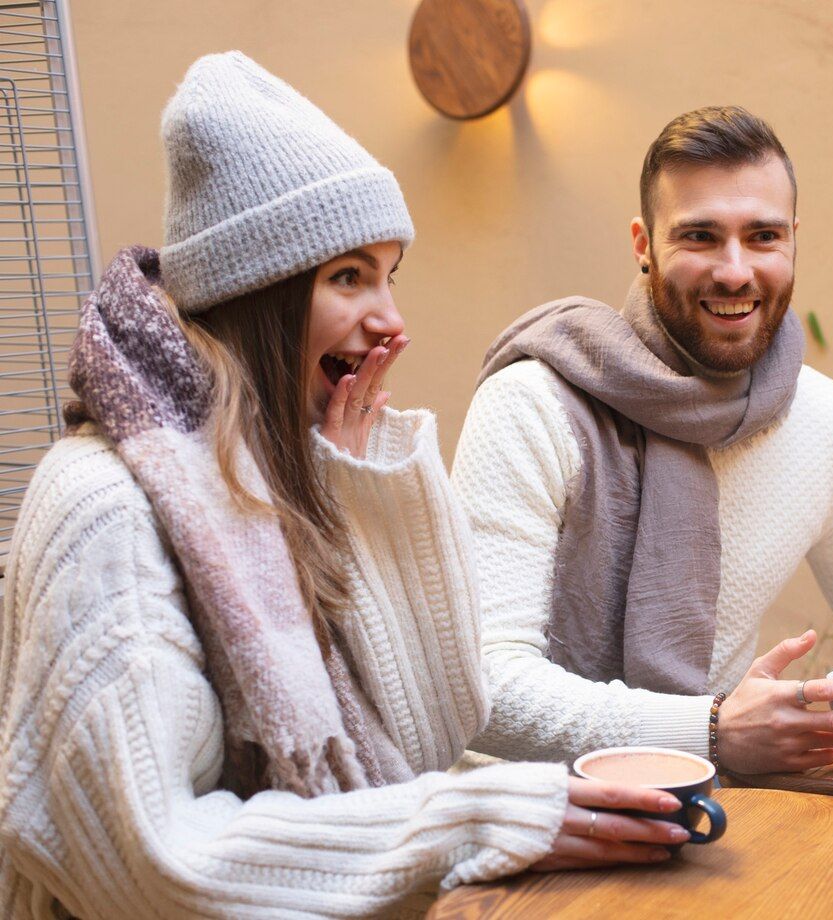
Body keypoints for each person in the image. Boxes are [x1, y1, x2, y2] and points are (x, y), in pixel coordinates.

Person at [0, 52, 687, 920]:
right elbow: (154, 864)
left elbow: (433, 744)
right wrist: (473, 821)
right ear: (261, 297)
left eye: (389, 276)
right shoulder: (108, 507)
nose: (390, 319)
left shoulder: (286, 476)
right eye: (348, 277)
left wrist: (371, 503)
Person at [451, 106, 833, 776]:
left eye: (762, 236)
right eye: (700, 236)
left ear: (794, 239)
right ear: (643, 244)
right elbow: (483, 687)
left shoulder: (826, 420)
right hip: (527, 821)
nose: (735, 271)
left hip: (712, 808)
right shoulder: (533, 405)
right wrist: (709, 728)